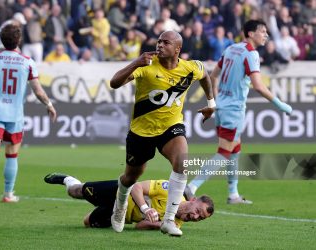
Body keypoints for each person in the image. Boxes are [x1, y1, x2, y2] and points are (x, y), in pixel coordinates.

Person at [109, 30, 216, 236]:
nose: (159, 45)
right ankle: (120, 207)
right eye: (158, 41)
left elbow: (205, 75)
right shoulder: (146, 66)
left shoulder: (190, 67)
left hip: (170, 127)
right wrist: (135, 63)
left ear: (177, 49)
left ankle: (169, 220)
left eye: (165, 43)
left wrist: (211, 103)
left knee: (182, 162)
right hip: (142, 132)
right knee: (131, 177)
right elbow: (114, 83)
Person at [185, 20, 292, 203]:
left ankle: (233, 194)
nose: (266, 35)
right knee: (224, 152)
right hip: (233, 110)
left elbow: (213, 76)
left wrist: (216, 99)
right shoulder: (251, 54)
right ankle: (192, 186)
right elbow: (258, 86)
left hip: (222, 107)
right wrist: (281, 104)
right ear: (251, 33)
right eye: (262, 31)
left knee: (235, 149)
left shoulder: (231, 48)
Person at [0, 24, 57, 205]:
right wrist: (49, 104)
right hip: (15, 115)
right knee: (12, 154)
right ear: (19, 40)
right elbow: (38, 91)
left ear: (1, 40)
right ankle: (8, 194)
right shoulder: (27, 62)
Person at [44, 173, 214, 230]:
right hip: (118, 193)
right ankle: (67, 179)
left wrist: (159, 224)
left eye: (200, 218)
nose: (195, 217)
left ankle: (100, 209)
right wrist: (146, 208)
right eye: (198, 211)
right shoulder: (170, 189)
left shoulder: (175, 225)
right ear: (192, 200)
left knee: (87, 222)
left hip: (121, 215)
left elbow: (139, 227)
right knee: (76, 192)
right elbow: (136, 187)